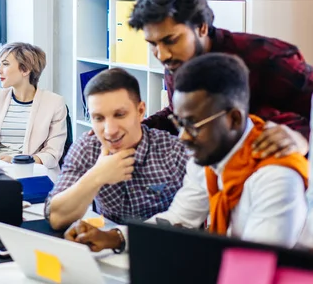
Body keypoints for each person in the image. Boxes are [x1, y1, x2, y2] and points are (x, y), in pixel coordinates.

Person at [65, 54, 309, 252]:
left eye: (192, 124)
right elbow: (180, 218)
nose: (182, 136)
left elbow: (253, 269)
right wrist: (115, 237)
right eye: (179, 123)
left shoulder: (274, 177)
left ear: (233, 119)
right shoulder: (209, 157)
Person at [128, 0, 313, 153]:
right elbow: (180, 114)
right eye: (153, 44)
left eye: (171, 40)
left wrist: (302, 137)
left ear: (201, 27)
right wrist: (134, 131)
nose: (162, 55)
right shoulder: (176, 61)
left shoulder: (266, 57)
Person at [46, 68, 189, 230]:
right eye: (99, 118)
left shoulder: (174, 151)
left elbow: (191, 220)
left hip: (166, 247)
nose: (110, 130)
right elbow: (55, 218)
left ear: (140, 111)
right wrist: (97, 176)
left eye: (120, 115)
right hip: (106, 248)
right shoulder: (88, 148)